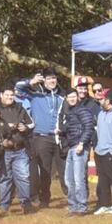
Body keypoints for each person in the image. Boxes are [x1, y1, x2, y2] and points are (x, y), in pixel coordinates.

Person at [16, 69, 67, 207]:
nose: (52, 81)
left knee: (64, 168)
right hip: (42, 137)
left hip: (59, 138)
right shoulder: (34, 96)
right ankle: (44, 199)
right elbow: (18, 88)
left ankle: (71, 196)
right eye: (49, 78)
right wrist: (31, 81)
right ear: (43, 80)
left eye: (54, 78)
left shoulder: (61, 97)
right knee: (45, 170)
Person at [0, 83, 34, 214]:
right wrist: (7, 127)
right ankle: (4, 205)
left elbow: (31, 123)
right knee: (5, 179)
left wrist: (26, 127)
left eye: (11, 95)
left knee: (23, 177)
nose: (9, 97)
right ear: (1, 95)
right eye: (7, 95)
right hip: (4, 151)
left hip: (20, 150)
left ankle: (26, 204)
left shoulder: (19, 107)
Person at [58, 86, 94, 216]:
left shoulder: (82, 110)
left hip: (79, 147)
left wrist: (82, 143)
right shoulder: (70, 112)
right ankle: (73, 206)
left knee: (79, 179)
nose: (72, 99)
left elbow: (89, 127)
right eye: (69, 97)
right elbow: (71, 128)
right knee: (69, 179)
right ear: (66, 99)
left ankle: (81, 207)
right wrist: (60, 131)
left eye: (74, 96)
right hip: (71, 147)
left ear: (77, 97)